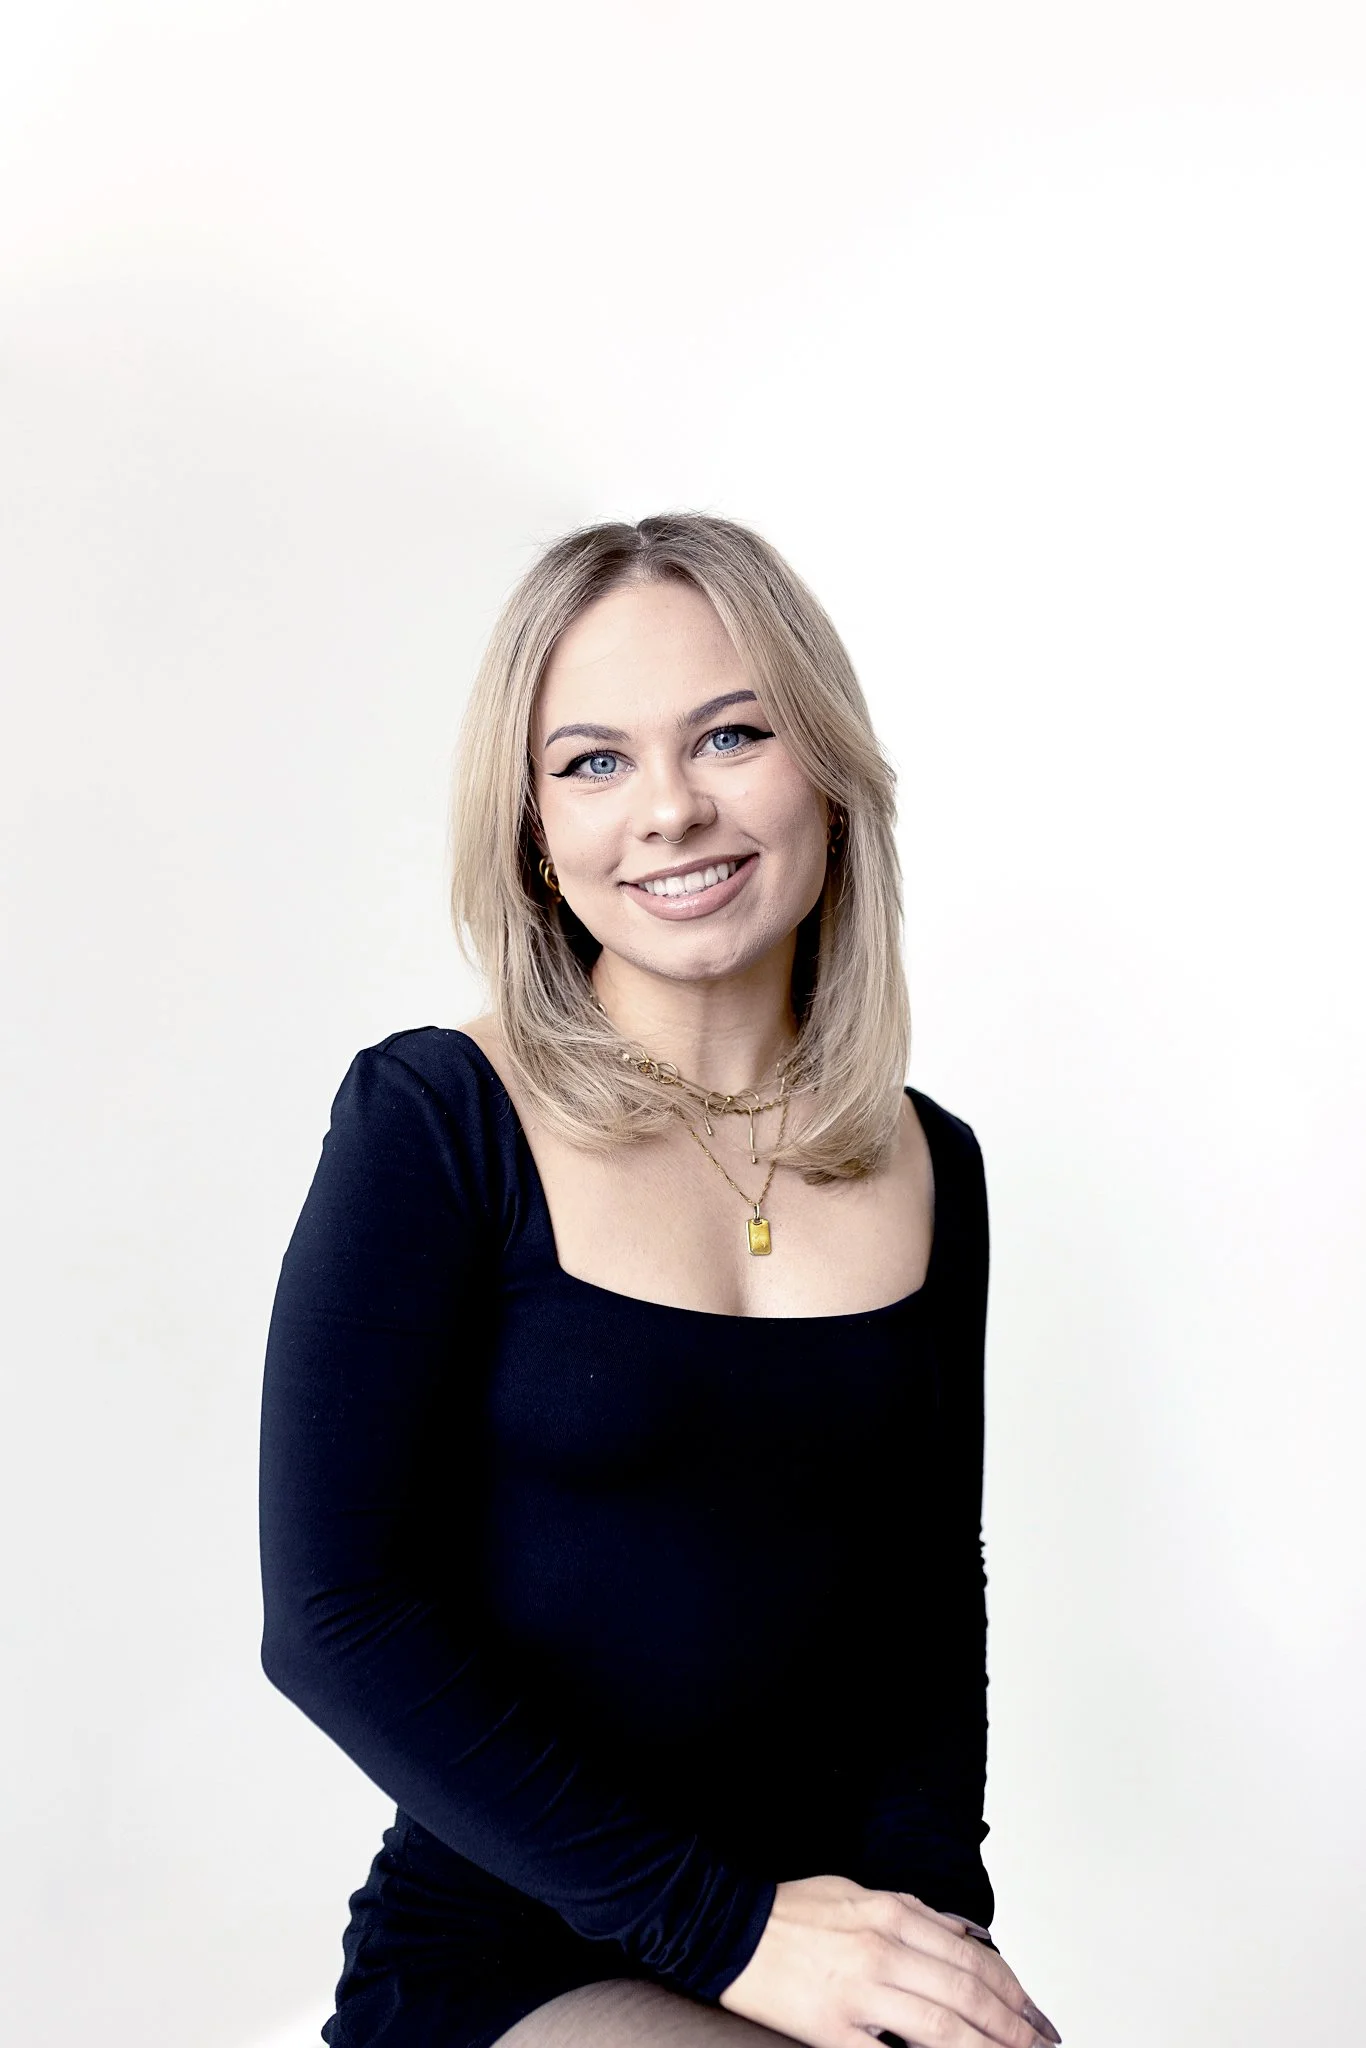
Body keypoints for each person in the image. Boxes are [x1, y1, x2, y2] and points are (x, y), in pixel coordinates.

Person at [257, 513, 1062, 2048]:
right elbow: (332, 1614)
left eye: (731, 734)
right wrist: (732, 1936)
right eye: (594, 762)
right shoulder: (435, 1122)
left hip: (823, 1926)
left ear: (822, 766)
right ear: (533, 833)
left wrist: (928, 1953)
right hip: (522, 1935)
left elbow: (914, 1607)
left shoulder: (927, 1164)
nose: (673, 810)